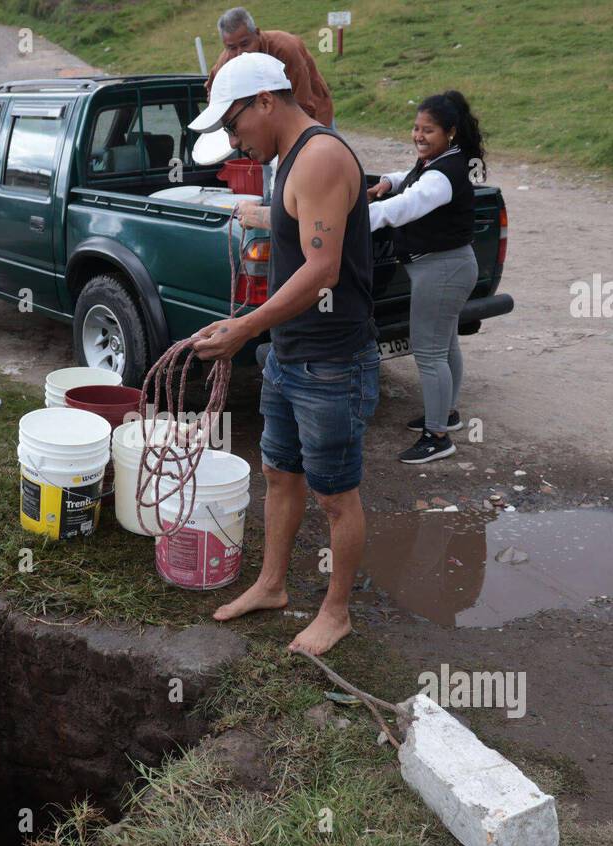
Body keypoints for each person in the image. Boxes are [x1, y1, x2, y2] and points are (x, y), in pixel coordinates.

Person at [189, 53, 379, 656]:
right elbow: (303, 223)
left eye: (234, 122)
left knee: (335, 495)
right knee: (279, 473)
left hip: (332, 359)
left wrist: (245, 328)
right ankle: (271, 585)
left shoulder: (320, 156)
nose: (233, 138)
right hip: (291, 351)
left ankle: (336, 610)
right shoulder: (288, 160)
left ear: (266, 101)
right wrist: (263, 214)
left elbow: (322, 269)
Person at [367, 91, 486, 465]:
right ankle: (447, 415)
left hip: (441, 270)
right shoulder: (446, 160)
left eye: (428, 130)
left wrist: (356, 218)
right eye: (416, 128)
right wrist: (389, 180)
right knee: (446, 344)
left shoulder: (444, 172)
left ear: (449, 132)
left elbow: (409, 205)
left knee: (430, 352)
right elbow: (413, 181)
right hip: (450, 267)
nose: (419, 135)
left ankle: (436, 437)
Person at [206, 7, 334, 128]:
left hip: (312, 112)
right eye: (232, 47)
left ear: (256, 33)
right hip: (266, 125)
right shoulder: (226, 62)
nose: (240, 53)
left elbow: (303, 101)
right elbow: (214, 92)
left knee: (326, 148)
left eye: (245, 44)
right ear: (225, 45)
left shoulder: (286, 49)